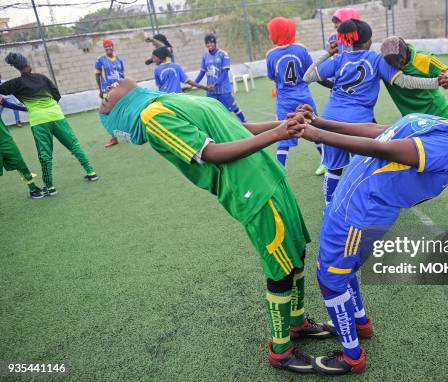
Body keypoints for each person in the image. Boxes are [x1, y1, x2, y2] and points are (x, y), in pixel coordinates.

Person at [287, 74, 448, 375]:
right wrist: (321, 122)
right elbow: (381, 133)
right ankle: (360, 324)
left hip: (361, 215)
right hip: (349, 202)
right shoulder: (447, 124)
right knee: (341, 270)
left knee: (331, 278)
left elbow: (384, 150)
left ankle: (352, 357)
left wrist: (316, 135)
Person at [98, 79, 334, 374]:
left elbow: (236, 130)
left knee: (296, 253)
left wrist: (284, 123)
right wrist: (279, 133)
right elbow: (211, 153)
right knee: (281, 268)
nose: (107, 90)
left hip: (268, 174)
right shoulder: (151, 117)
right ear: (120, 112)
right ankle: (281, 349)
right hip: (250, 189)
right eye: (105, 100)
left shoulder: (166, 102)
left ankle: (297, 323)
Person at [303, 19, 448, 205]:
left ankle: (329, 209)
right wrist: (435, 82)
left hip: (330, 119)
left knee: (333, 169)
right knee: (365, 166)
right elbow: (405, 81)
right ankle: (364, 204)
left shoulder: (338, 59)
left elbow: (308, 77)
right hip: (359, 123)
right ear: (369, 41)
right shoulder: (376, 59)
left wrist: (327, 54)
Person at [380, 36, 448, 204]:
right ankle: (415, 189)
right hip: (411, 115)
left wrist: (445, 79)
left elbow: (446, 71)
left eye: (399, 61)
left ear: (405, 53)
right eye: (392, 63)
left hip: (435, 109)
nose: (396, 66)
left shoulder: (423, 59)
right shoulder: (384, 64)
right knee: (414, 153)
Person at [1, 53, 98, 196]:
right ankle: (91, 172)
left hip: (39, 121)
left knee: (45, 155)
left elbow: (2, 91)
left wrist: (9, 102)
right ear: (29, 66)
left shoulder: (15, 84)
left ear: (17, 68)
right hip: (57, 116)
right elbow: (57, 95)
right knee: (74, 145)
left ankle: (50, 187)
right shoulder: (43, 78)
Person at [265, 17, 324, 174]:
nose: (270, 36)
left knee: (283, 135)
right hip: (304, 98)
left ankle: (280, 171)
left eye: (271, 33)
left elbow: (272, 76)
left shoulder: (271, 55)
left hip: (284, 101)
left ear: (277, 33)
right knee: (316, 129)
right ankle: (326, 162)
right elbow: (310, 71)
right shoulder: (301, 50)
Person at [194, 34, 246, 123]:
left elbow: (225, 72)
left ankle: (245, 122)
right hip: (211, 91)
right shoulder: (205, 56)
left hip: (223, 90)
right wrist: (193, 83)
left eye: (212, 42)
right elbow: (202, 72)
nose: (210, 45)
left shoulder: (223, 54)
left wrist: (216, 84)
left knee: (233, 107)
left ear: (215, 43)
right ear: (205, 44)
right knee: (212, 110)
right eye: (208, 43)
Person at [0, 95, 44, 199]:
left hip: (6, 141)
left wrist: (28, 109)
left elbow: (8, 104)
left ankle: (33, 189)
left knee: (20, 164)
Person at [95, 38, 125, 148]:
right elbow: (97, 75)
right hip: (106, 91)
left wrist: (123, 87)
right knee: (108, 113)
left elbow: (122, 76)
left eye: (110, 46)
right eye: (106, 47)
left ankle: (123, 134)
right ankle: (114, 137)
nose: (108, 48)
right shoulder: (100, 60)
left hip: (118, 91)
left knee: (118, 112)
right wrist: (99, 89)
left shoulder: (119, 60)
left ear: (113, 47)